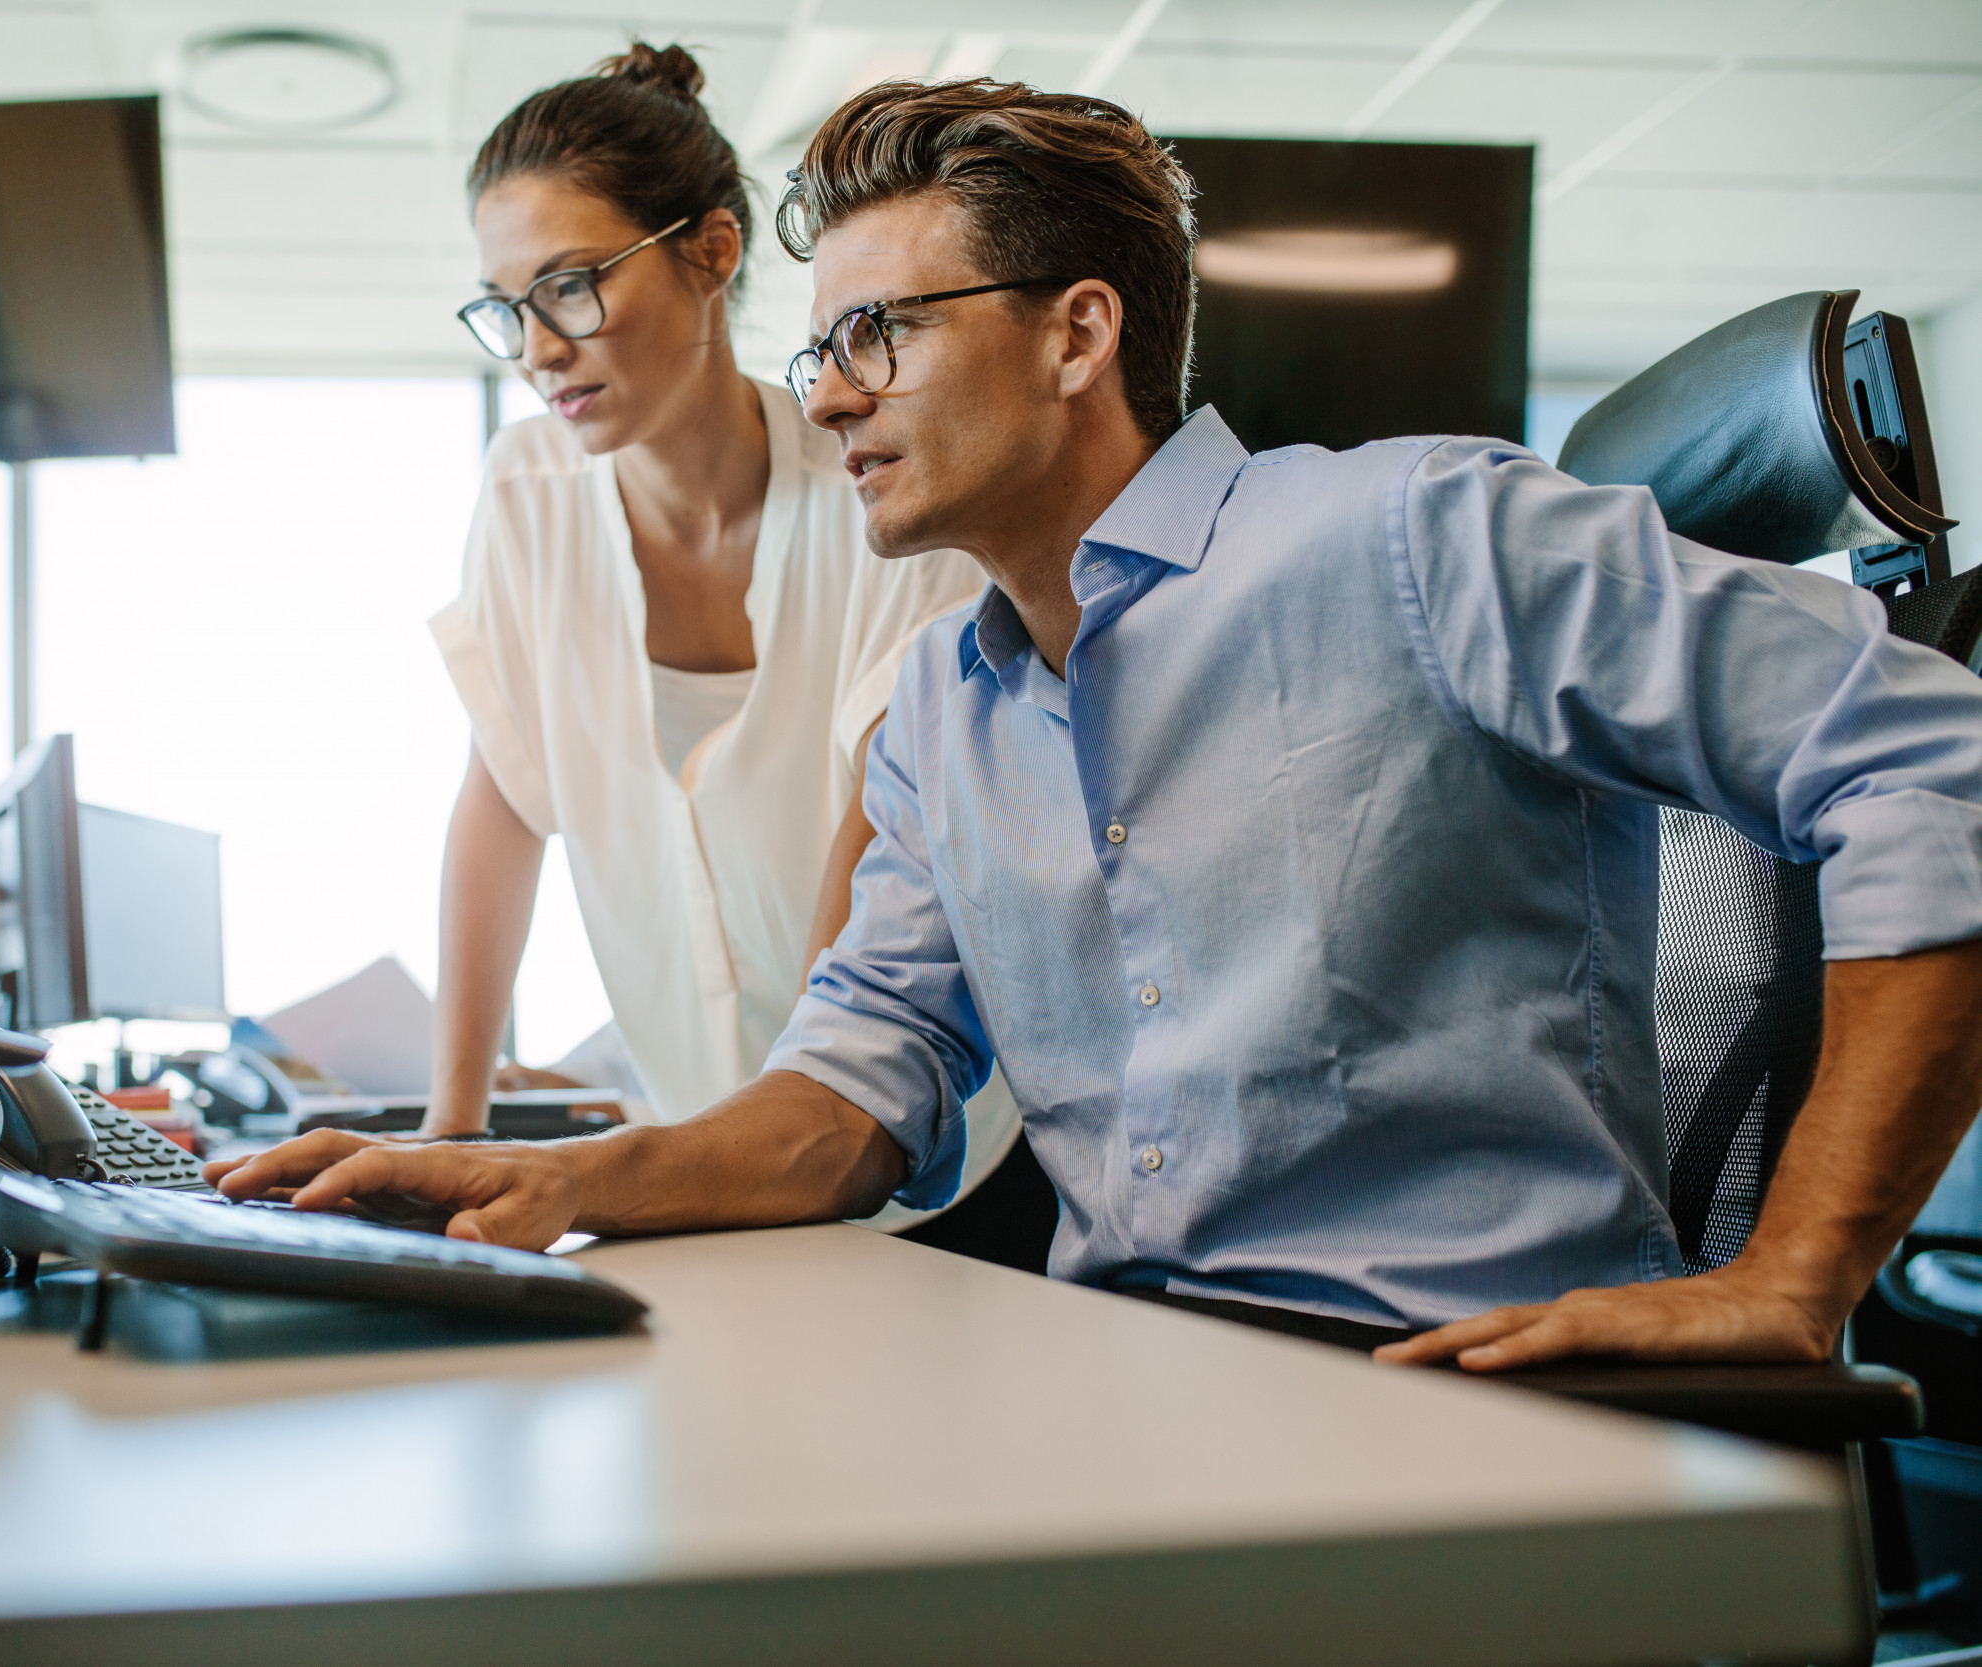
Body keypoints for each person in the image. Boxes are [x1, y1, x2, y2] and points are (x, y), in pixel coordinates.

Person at [210, 78, 1982, 1373]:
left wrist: (1803, 1268)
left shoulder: (1423, 535)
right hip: (1132, 1386)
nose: (825, 394)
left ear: (1078, 334)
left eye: (881, 336)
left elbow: (1930, 757)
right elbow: (846, 1104)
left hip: (1467, 1402)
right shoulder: (937, 722)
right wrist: (532, 1178)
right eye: (821, 346)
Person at [414, 43, 1001, 1182]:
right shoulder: (526, 497)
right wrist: (453, 1120)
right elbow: (501, 800)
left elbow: (879, 830)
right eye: (507, 308)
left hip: (919, 1141)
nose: (539, 348)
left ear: (712, 253)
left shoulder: (876, 491)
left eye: (572, 285)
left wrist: (788, 1133)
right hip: (698, 1124)